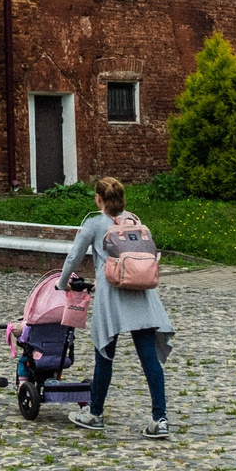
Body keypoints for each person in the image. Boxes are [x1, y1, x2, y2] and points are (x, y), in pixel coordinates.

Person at [56, 174, 174, 435]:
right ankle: (160, 419)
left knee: (105, 355)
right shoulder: (134, 220)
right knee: (149, 357)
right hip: (141, 294)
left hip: (112, 297)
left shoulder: (94, 223)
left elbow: (74, 257)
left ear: (98, 199)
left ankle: (95, 413)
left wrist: (63, 283)